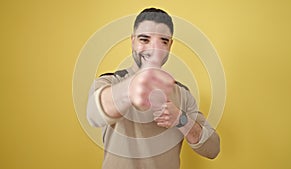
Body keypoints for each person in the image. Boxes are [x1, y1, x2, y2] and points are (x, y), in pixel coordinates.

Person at [87, 7, 220, 169]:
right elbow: (93, 114)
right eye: (144, 39)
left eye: (163, 41)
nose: (154, 48)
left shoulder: (183, 94)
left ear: (170, 45)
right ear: (133, 41)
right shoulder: (110, 82)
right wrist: (129, 90)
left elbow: (213, 149)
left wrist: (180, 119)